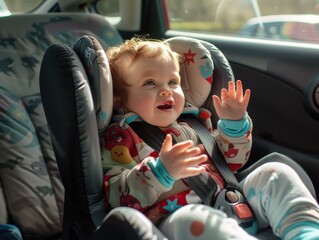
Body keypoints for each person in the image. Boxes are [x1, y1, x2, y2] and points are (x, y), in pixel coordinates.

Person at [102, 37, 319, 240]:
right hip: (172, 218)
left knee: (276, 173)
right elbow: (116, 196)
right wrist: (160, 172)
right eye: (150, 83)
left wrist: (233, 125)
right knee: (194, 219)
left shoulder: (194, 123)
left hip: (229, 199)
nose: (166, 91)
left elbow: (231, 161)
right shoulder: (121, 138)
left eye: (172, 82)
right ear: (120, 100)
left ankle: (306, 232)